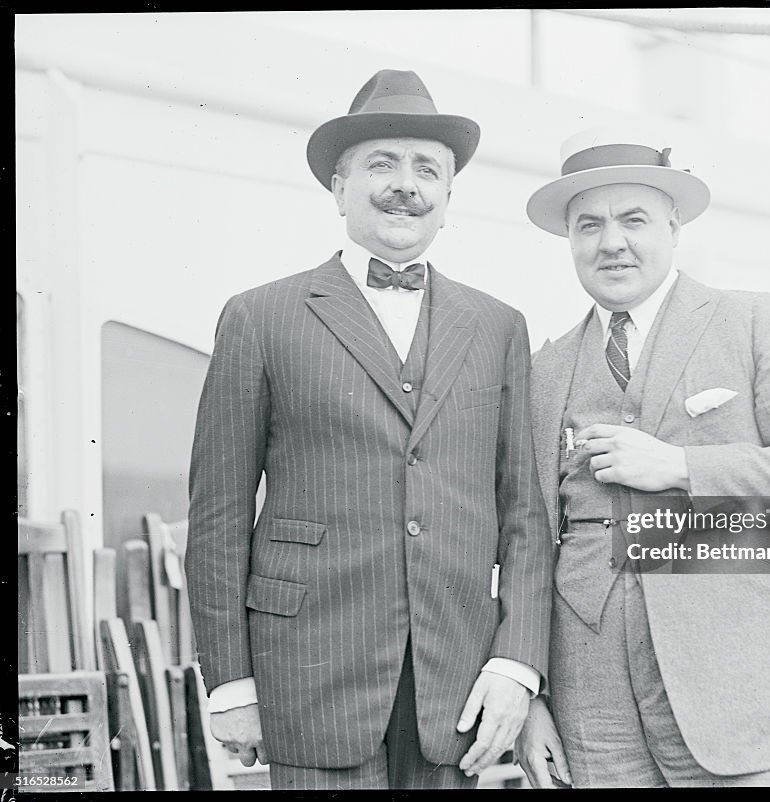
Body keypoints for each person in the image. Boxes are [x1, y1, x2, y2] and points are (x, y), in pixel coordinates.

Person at [185, 69, 552, 790]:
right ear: (338, 188)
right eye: (381, 164)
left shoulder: (498, 326)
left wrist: (516, 664)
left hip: (456, 680)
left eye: (427, 170)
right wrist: (230, 682)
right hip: (309, 673)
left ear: (447, 199)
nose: (404, 185)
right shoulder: (261, 317)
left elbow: (526, 519)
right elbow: (219, 513)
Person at [514, 129, 770, 788]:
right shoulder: (544, 369)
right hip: (594, 711)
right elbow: (529, 543)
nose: (611, 240)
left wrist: (680, 467)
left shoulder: (753, 321)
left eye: (634, 219)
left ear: (674, 228)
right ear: (569, 240)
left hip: (744, 690)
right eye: (589, 224)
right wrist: (532, 698)